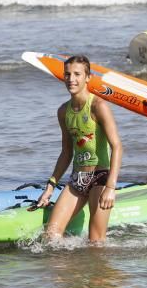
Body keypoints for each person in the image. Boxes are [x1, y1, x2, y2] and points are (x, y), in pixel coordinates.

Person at [34, 55, 123, 244]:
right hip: (77, 178)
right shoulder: (63, 111)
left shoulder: (98, 106)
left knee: (95, 243)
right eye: (67, 74)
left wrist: (111, 187)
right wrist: (50, 186)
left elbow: (117, 146)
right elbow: (66, 152)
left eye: (77, 74)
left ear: (88, 77)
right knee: (50, 237)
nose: (71, 79)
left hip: (100, 178)